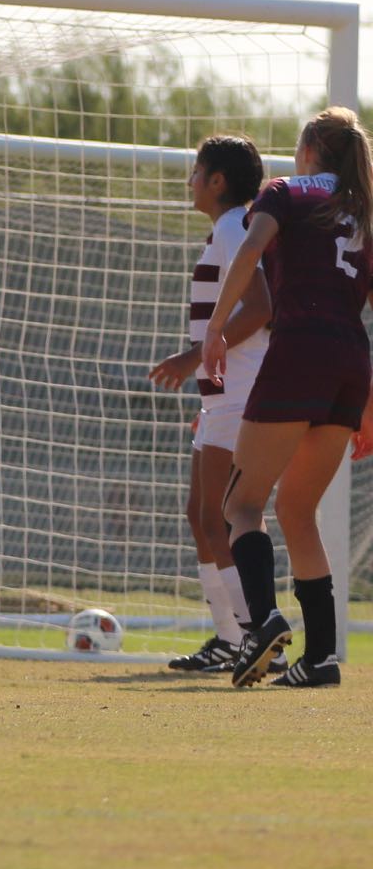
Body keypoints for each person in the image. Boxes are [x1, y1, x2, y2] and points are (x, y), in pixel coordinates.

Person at [200, 107, 373, 689]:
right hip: (351, 362)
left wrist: (216, 331)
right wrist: (368, 404)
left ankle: (264, 622)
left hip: (299, 349)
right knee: (297, 511)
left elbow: (250, 252)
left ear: (307, 149)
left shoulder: (285, 192)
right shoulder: (364, 212)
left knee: (240, 505)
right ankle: (321, 658)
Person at [146, 135, 270, 672]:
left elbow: (261, 307)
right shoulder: (225, 228)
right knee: (201, 516)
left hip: (240, 393)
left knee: (221, 516)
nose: (190, 180)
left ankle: (252, 634)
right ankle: (228, 636)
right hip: (223, 395)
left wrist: (194, 357)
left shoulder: (233, 226)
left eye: (197, 171)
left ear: (217, 181)